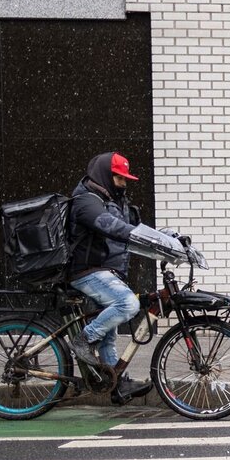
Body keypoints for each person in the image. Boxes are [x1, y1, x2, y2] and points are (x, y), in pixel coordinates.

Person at [66, 152, 156, 405]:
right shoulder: (86, 200)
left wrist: (167, 238)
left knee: (109, 335)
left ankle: (115, 384)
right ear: (105, 176)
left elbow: (134, 227)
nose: (124, 184)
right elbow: (111, 226)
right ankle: (83, 340)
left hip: (102, 270)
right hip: (85, 271)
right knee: (128, 303)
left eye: (126, 179)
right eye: (119, 178)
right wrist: (143, 238)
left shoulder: (110, 199)